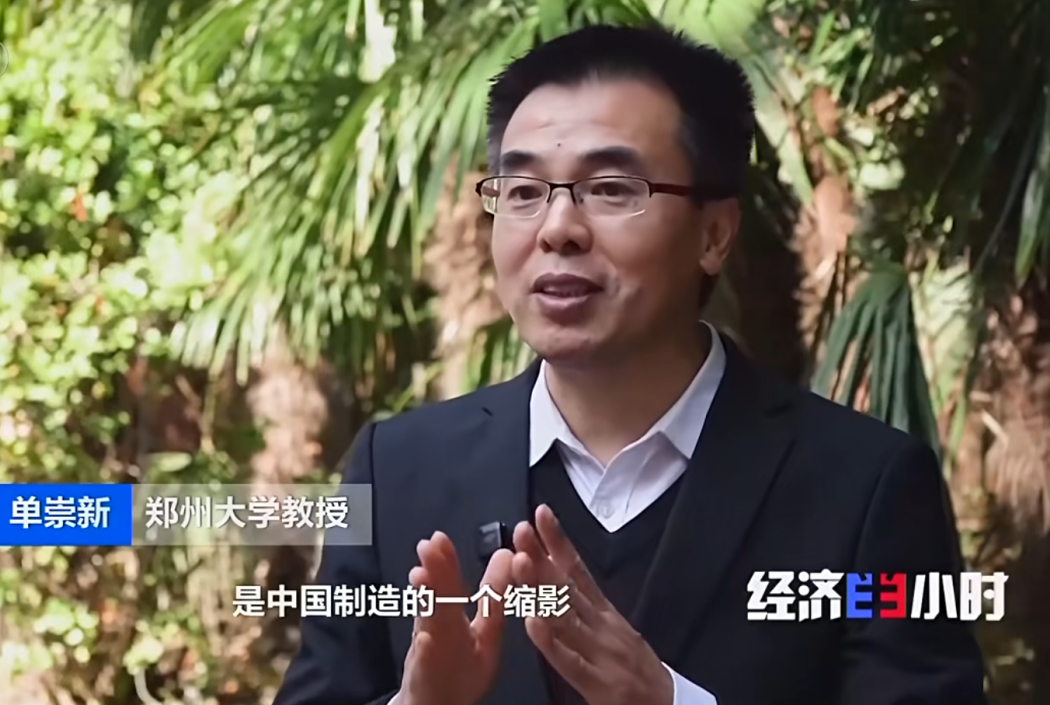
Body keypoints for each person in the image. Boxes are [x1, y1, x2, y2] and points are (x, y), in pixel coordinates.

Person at [272, 23, 988, 705]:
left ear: (713, 234)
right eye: (522, 193)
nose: (557, 228)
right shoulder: (396, 469)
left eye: (611, 189)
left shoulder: (864, 485)